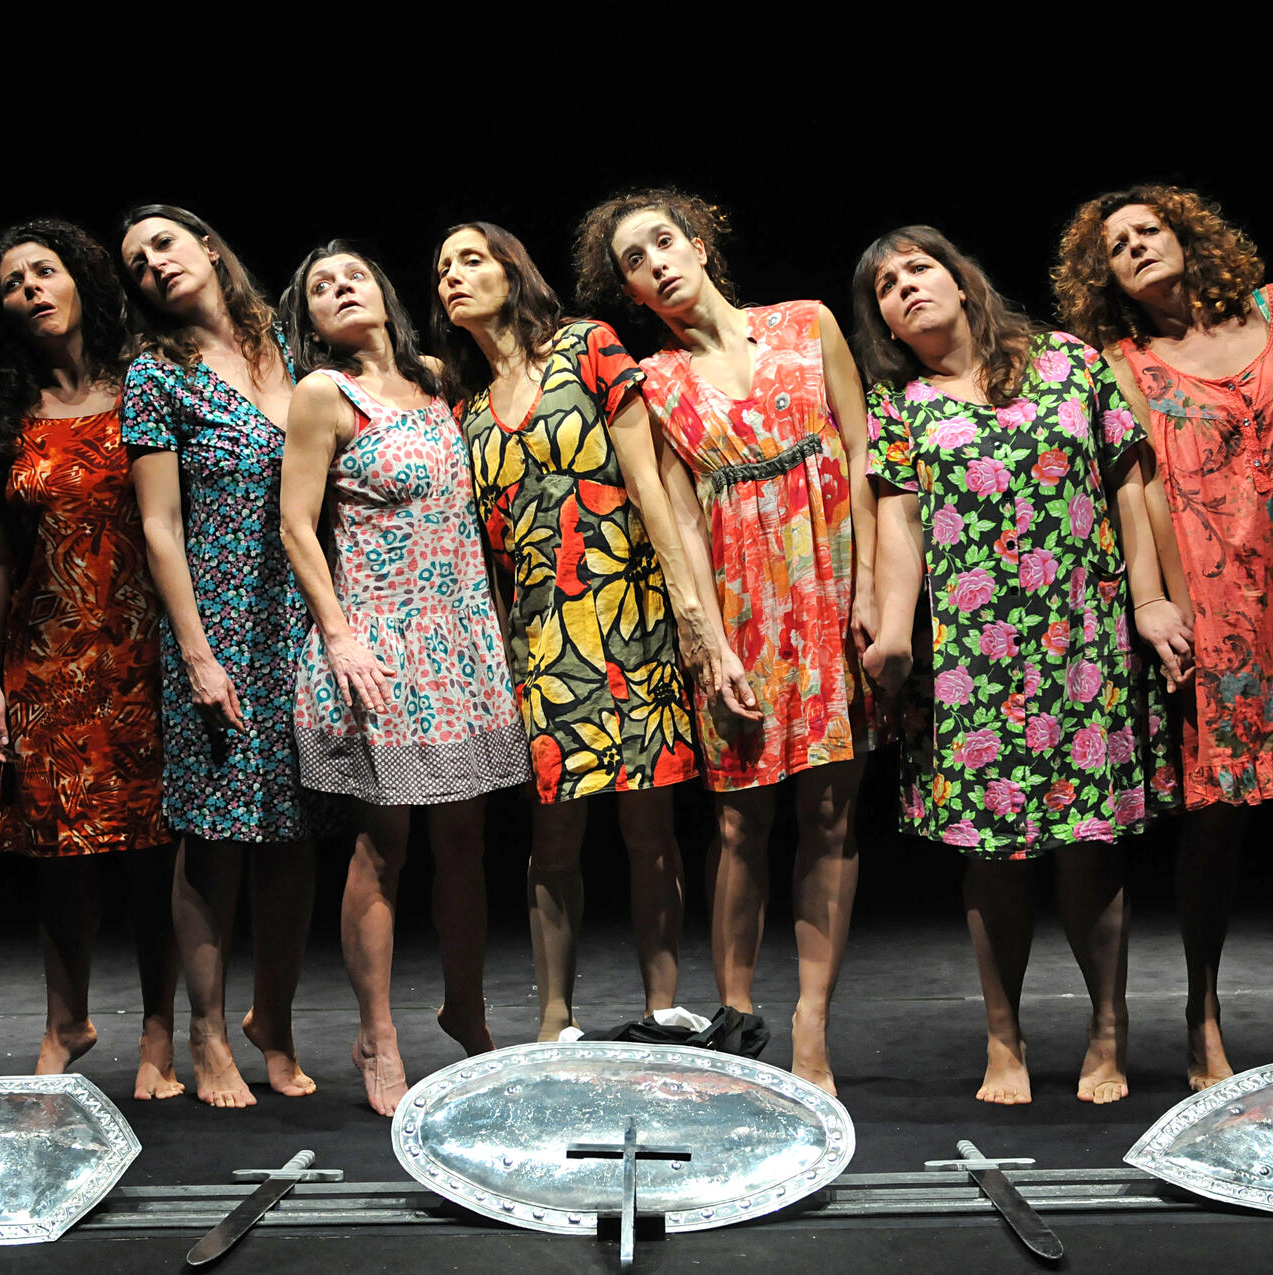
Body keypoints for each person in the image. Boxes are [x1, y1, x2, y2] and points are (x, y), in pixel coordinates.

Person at [1053, 185, 1273, 1089]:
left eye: (1148, 230)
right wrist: (1164, 602)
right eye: (1117, 244)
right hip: (1214, 601)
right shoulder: (1122, 362)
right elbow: (1138, 493)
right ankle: (1201, 1012)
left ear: (1186, 236)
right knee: (1216, 815)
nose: (1136, 246)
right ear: (1106, 276)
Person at [851, 226, 1186, 1104]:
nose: (906, 287)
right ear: (883, 323)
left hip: (1081, 642)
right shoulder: (902, 407)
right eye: (886, 286)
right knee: (992, 855)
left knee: (1089, 847)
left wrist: (1150, 598)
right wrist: (895, 634)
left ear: (961, 281)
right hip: (972, 661)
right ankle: (1005, 1038)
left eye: (919, 268)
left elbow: (1127, 482)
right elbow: (898, 525)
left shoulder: (1068, 363)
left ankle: (1107, 1029)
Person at [573, 190, 876, 1094]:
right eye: (634, 261)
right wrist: (708, 641)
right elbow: (677, 521)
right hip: (741, 606)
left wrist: (872, 592)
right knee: (742, 822)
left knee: (831, 815)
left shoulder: (808, 324)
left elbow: (866, 455)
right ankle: (739, 1019)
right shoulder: (655, 382)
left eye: (664, 241)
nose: (657, 263)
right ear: (631, 292)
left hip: (832, 588)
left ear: (700, 245)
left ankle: (812, 1024)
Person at [431, 222, 721, 1042]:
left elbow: (647, 481)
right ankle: (555, 1017)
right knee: (554, 834)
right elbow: (485, 556)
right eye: (443, 268)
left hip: (632, 615)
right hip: (542, 642)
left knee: (650, 827)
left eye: (471, 259)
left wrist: (689, 610)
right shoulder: (466, 412)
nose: (453, 276)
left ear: (512, 269)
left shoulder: (586, 346)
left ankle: (662, 1004)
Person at [276, 242, 529, 1116]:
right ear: (311, 321)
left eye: (352, 275)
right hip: (383, 642)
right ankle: (376, 1034)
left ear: (384, 293)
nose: (340, 289)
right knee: (384, 846)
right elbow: (298, 525)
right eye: (321, 287)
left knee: (466, 839)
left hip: (463, 639)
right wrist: (339, 637)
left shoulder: (437, 380)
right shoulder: (324, 394)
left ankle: (466, 1009)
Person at [0, 219, 183, 1101]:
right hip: (49, 657)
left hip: (145, 648)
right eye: (13, 284)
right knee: (60, 850)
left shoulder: (144, 386)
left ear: (80, 281)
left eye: (44, 272)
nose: (32, 290)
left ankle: (159, 1034)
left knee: (155, 848)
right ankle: (66, 1022)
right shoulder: (3, 414)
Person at [118, 205, 331, 1108]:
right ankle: (206, 1034)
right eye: (136, 262)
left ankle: (272, 1021)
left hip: (305, 617)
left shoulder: (290, 342)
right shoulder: (155, 374)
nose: (153, 264)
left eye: (164, 243)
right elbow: (160, 526)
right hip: (219, 620)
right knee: (216, 836)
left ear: (207, 245)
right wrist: (197, 653)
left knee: (297, 831)